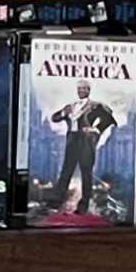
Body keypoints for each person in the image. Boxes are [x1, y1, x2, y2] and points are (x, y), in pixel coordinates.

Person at [43, 89, 120, 222]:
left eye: (84, 89)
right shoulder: (71, 106)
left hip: (86, 141)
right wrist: (63, 113)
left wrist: (96, 129)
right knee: (66, 172)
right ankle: (55, 202)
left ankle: (83, 206)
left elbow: (109, 118)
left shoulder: (96, 106)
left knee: (86, 173)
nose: (81, 91)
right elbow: (55, 118)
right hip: (72, 141)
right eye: (79, 89)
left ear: (88, 91)